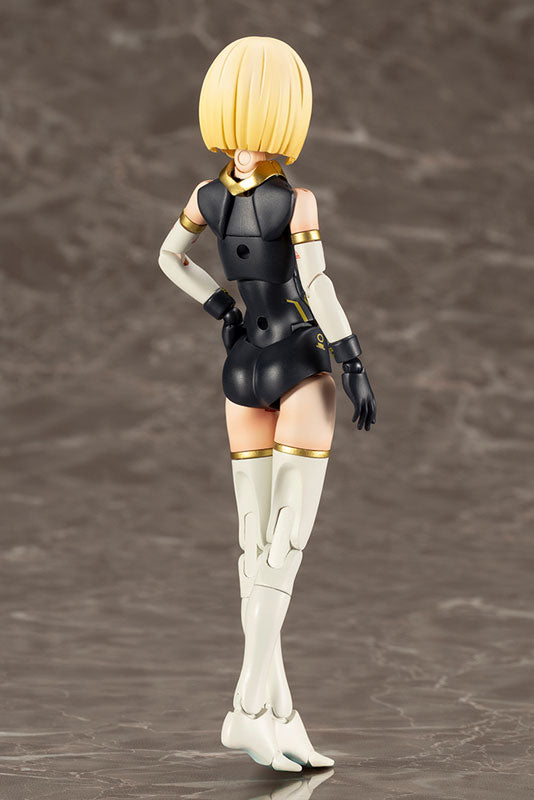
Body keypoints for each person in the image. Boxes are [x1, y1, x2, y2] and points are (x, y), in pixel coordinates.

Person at [158, 36, 376, 772]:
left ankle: (280, 716)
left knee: (259, 548)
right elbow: (317, 285)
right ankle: (248, 708)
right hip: (298, 361)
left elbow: (169, 258)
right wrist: (352, 360)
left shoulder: (206, 197)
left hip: (244, 365)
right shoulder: (295, 201)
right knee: (278, 546)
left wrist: (220, 304)